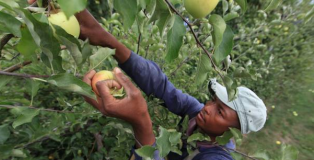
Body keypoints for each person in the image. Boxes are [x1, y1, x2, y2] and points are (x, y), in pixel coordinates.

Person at [76, 9, 267, 160]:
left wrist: (141, 121)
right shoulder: (197, 114)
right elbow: (161, 86)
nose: (208, 108)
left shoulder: (216, 157)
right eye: (213, 101)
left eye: (220, 112)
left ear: (232, 132)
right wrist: (108, 42)